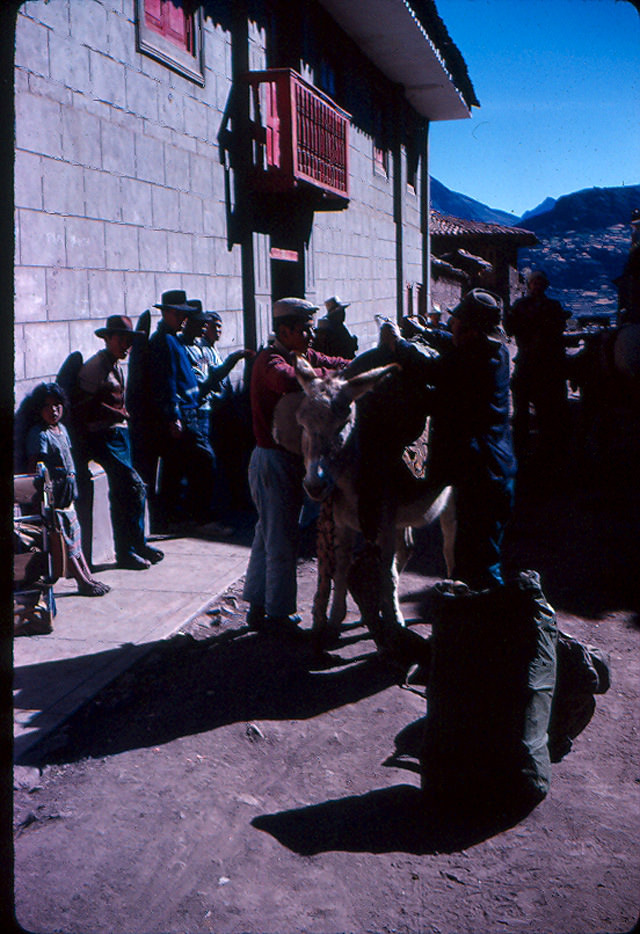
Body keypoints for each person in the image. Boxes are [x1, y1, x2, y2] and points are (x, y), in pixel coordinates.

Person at [380, 288, 517, 591]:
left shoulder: (471, 363)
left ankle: (485, 624)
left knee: (478, 566)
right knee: (476, 556)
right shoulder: (494, 352)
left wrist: (398, 343)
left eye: (456, 323)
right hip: (496, 470)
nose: (451, 326)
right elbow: (452, 344)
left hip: (481, 476)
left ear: (469, 331)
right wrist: (427, 331)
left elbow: (435, 367)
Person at [243, 297, 349, 637]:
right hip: (272, 461)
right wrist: (327, 373)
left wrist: (357, 364)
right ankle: (278, 615)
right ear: (285, 331)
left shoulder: (301, 356)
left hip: (288, 460)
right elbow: (288, 380)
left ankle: (258, 605)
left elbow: (337, 362)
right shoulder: (269, 360)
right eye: (304, 329)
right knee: (280, 539)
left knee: (267, 534)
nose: (311, 335)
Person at [74, 315, 164, 570]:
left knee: (133, 491)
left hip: (119, 435)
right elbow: (81, 407)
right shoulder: (95, 368)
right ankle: (125, 552)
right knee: (132, 486)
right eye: (121, 339)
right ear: (108, 339)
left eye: (129, 340)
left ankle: (136, 543)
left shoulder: (116, 365)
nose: (126, 345)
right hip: (102, 437)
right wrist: (108, 415)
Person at [25, 382, 110, 597]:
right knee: (64, 539)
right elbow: (35, 467)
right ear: (38, 410)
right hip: (52, 495)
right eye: (47, 406)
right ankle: (82, 582)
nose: (53, 410)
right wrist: (41, 498)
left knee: (75, 535)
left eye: (57, 405)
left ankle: (88, 575)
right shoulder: (40, 435)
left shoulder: (61, 430)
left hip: (68, 494)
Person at [147, 290, 217, 530]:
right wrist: (173, 416)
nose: (183, 319)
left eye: (183, 314)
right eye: (178, 314)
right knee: (204, 460)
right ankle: (198, 517)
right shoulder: (163, 341)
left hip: (189, 411)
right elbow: (166, 382)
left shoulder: (173, 339)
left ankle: (175, 518)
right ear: (167, 313)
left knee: (176, 468)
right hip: (181, 415)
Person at [505, 270, 571, 458]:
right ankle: (520, 448)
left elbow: (558, 331)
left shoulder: (553, 306)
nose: (537, 286)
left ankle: (546, 450)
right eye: (534, 283)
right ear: (529, 285)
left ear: (545, 286)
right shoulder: (520, 305)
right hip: (526, 362)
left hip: (547, 365)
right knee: (520, 411)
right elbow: (510, 329)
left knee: (547, 410)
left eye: (540, 283)